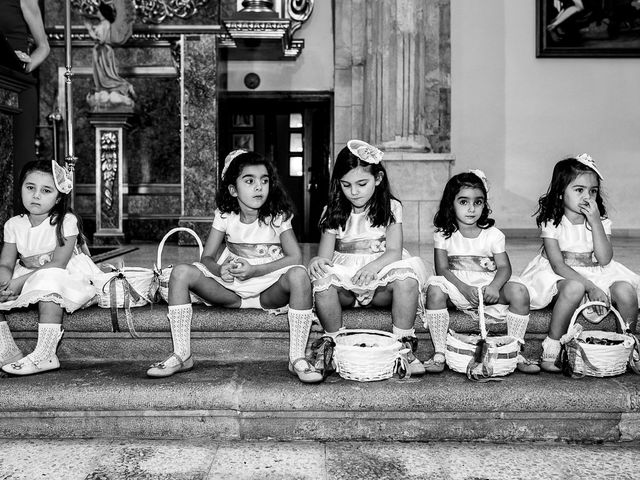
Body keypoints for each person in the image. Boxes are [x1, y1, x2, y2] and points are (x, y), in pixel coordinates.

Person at [147, 150, 322, 383]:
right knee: (181, 272)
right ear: (233, 189)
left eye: (264, 180)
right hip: (232, 292)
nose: (258, 187)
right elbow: (207, 257)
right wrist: (220, 270)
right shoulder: (225, 215)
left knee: (299, 275)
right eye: (249, 181)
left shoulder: (277, 216)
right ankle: (182, 354)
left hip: (269, 292)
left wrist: (255, 270)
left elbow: (295, 257)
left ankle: (297, 358)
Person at [308, 140, 429, 377]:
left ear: (379, 178)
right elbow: (324, 257)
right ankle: (334, 345)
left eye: (362, 184)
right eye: (346, 185)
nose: (354, 191)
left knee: (407, 279)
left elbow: (394, 251)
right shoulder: (331, 211)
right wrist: (316, 262)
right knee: (322, 283)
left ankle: (402, 347)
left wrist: (373, 269)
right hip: (346, 281)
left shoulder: (391, 207)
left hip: (380, 274)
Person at [520, 154, 640, 373]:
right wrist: (590, 287)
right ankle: (552, 346)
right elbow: (558, 265)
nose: (588, 197)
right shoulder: (553, 224)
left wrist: (595, 223)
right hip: (563, 274)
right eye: (579, 190)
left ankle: (628, 345)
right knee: (575, 288)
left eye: (593, 191)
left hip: (598, 270)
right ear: (560, 193)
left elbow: (604, 259)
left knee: (626, 291)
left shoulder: (601, 222)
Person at [424, 170, 539, 374]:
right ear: (451, 203)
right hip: (458, 287)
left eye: (478, 202)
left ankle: (514, 349)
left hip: (487, 288)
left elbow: (504, 267)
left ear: (484, 204)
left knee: (520, 292)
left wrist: (495, 287)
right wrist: (463, 287)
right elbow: (442, 268)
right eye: (463, 202)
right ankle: (439, 351)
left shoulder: (493, 235)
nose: (471, 209)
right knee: (434, 290)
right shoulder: (443, 234)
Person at [0, 160, 101, 376]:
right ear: (21, 189)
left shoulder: (66, 221)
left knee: (49, 280)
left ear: (58, 197)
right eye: (30, 188)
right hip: (26, 273)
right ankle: (7, 352)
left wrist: (18, 283)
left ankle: (46, 353)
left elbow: (59, 264)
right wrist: (5, 283)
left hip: (63, 275)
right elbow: (6, 262)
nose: (36, 195)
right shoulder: (14, 224)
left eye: (46, 190)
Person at [0, 0, 50, 207]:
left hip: (17, 84)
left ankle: (19, 231)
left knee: (19, 164)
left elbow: (43, 46)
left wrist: (24, 64)